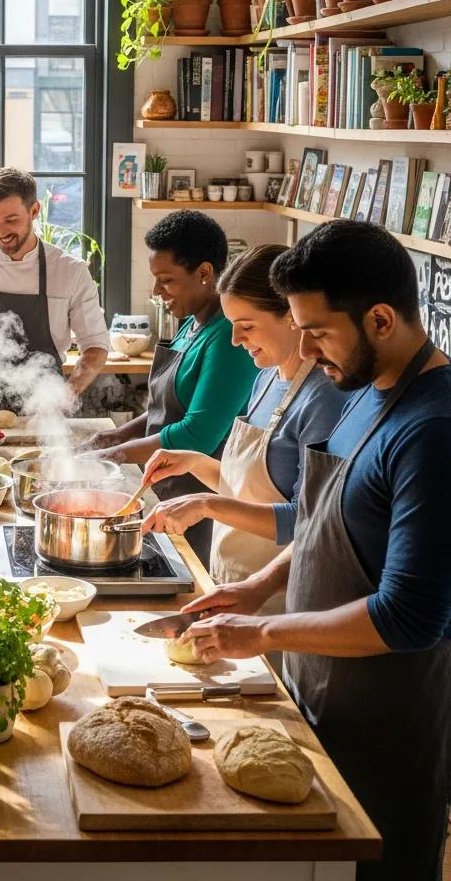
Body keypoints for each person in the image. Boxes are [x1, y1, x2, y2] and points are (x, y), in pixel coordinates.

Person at [177, 221, 451, 880]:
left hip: (384, 726)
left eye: (319, 331)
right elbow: (323, 516)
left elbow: (408, 617)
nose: (303, 348)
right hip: (317, 690)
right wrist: (260, 585)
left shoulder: (435, 430)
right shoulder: (362, 389)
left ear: (381, 319)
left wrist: (264, 630)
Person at [140, 245, 348, 611]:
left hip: (278, 600)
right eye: (232, 325)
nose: (235, 341)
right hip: (229, 582)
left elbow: (308, 520)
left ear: (291, 315)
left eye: (247, 326)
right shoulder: (266, 377)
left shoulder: (323, 400)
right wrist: (193, 462)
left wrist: (205, 505)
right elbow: (247, 487)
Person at [83, 210, 259, 564]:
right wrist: (110, 438)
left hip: (196, 504)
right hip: (164, 492)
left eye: (166, 280)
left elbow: (196, 434)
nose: (156, 291)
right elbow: (163, 410)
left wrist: (110, 457)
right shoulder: (192, 323)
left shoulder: (228, 336)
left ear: (205, 273)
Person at [0, 167, 111, 415]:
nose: (0, 232)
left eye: (11, 220)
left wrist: (69, 391)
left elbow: (95, 346)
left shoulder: (69, 270)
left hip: (46, 409)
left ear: (34, 211)